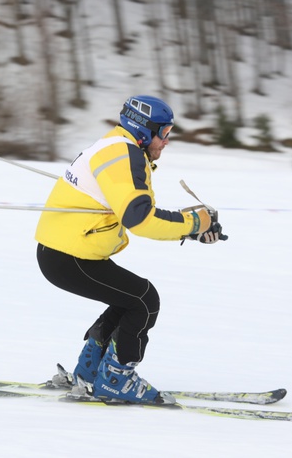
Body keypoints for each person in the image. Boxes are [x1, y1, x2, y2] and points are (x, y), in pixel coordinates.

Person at [35, 95, 225, 404]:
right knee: (144, 300)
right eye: (164, 133)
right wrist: (194, 223)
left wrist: (191, 229)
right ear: (145, 131)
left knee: (128, 299)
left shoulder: (116, 146)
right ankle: (116, 379)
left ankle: (90, 370)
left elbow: (134, 210)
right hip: (69, 255)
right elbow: (140, 219)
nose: (166, 142)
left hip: (64, 250)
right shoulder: (124, 155)